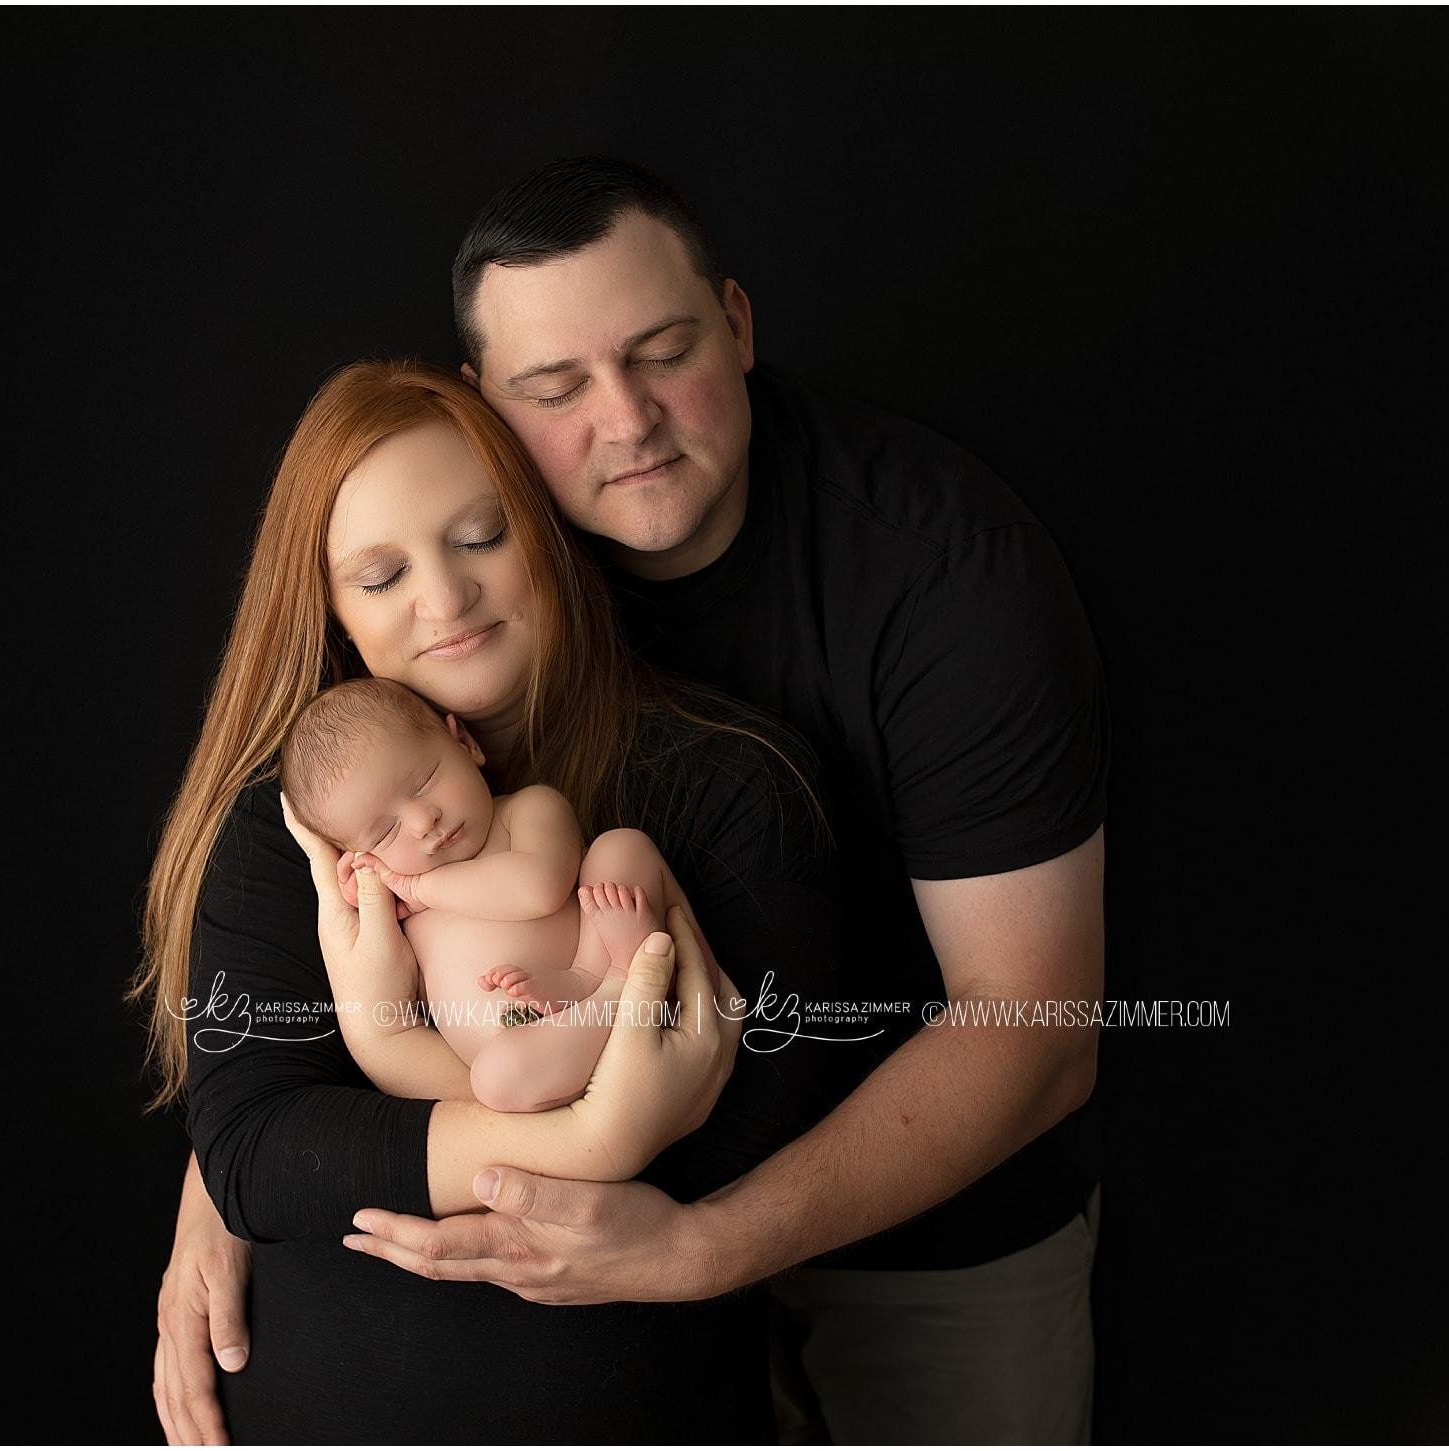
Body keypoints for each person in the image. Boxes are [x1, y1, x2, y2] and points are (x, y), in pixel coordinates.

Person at [152, 159, 1111, 1446]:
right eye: (554, 388)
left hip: (924, 1199)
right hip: (627, 1204)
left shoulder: (941, 576)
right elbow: (274, 1084)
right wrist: (229, 1169)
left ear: (738, 322)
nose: (626, 419)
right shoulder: (467, 600)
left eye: (663, 352)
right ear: (489, 406)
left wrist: (699, 1236)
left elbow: (1032, 1024)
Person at [135, 357, 843, 1444]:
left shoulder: (724, 784)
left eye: (479, 539)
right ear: (327, 611)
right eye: (379, 577)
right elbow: (259, 1151)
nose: (446, 598)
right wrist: (601, 1130)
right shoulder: (303, 830)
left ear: (544, 530)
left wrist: (412, 1107)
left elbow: (745, 1147)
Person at [279, 675, 682, 1113]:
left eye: (425, 781)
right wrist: (367, 894)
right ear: (362, 855)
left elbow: (538, 889)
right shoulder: (401, 907)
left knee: (622, 849)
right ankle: (609, 999)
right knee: (493, 1077)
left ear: (465, 743)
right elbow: (388, 992)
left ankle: (611, 982)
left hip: (612, 973)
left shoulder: (527, 810)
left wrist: (420, 885)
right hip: (543, 1054)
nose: (422, 821)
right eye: (386, 831)